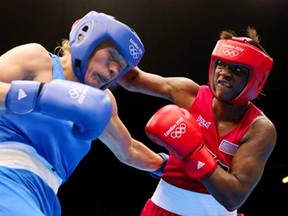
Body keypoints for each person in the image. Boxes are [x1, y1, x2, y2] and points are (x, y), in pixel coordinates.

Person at [0, 10, 165, 216]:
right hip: (5, 174)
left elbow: (129, 149)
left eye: (122, 66)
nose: (114, 69)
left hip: (45, 197)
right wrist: (40, 96)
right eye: (112, 56)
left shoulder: (102, 103)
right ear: (84, 38)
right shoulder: (38, 60)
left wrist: (168, 167)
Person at [118, 26, 277, 215]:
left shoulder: (259, 128)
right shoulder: (189, 93)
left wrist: (194, 153)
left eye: (237, 69)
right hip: (161, 209)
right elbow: (132, 79)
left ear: (256, 78)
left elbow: (234, 197)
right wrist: (108, 46)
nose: (224, 73)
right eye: (221, 64)